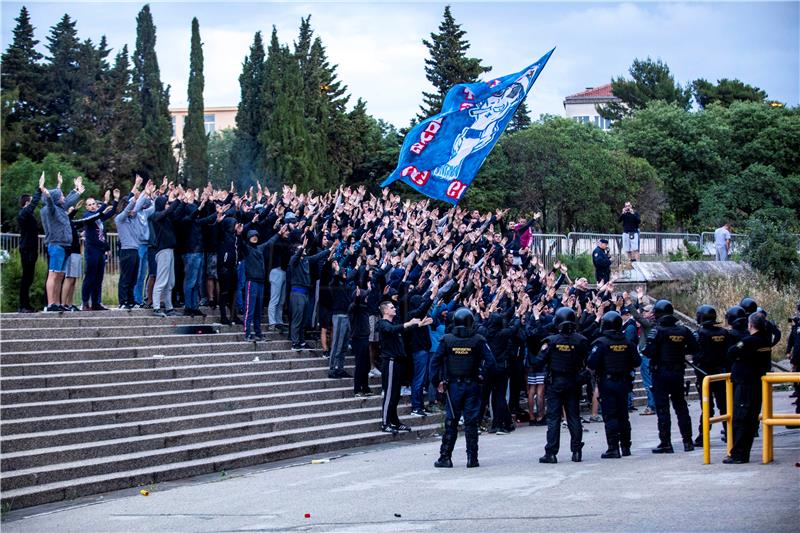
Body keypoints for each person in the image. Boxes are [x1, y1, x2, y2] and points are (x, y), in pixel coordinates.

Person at [429, 307, 496, 468]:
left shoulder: (447, 340)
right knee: (471, 422)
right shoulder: (478, 340)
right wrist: (482, 376)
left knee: (451, 421)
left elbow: (435, 362)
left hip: (453, 387)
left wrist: (436, 381)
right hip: (471, 384)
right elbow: (491, 362)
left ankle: (445, 457)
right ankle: (472, 458)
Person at [529, 307, 589, 464]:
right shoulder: (581, 341)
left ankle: (551, 452)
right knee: (574, 417)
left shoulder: (552, 341)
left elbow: (538, 362)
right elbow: (588, 362)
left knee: (554, 418)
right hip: (573, 382)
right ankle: (576, 452)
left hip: (556, 383)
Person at [644, 299, 699, 453]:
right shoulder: (684, 330)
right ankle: (688, 441)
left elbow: (648, 351)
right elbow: (694, 347)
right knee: (681, 408)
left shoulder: (658, 331)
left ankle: (666, 443)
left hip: (661, 373)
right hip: (677, 372)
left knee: (663, 409)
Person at [587, 311, 641, 458]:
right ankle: (626, 446)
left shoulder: (601, 343)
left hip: (608, 382)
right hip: (623, 382)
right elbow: (637, 361)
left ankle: (613, 447)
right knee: (623, 415)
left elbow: (591, 363)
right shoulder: (627, 342)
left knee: (610, 415)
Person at [375, 299, 430, 434]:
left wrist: (419, 325)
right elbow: (391, 329)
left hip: (398, 362)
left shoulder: (394, 324)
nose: (395, 309)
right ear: (385, 310)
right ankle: (385, 423)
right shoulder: (382, 323)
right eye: (392, 307)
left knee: (395, 395)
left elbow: (401, 331)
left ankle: (395, 421)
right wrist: (410, 323)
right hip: (390, 362)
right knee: (389, 394)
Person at [724, 312, 772, 463]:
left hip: (745, 384)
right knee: (751, 419)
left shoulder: (749, 341)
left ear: (750, 325)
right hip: (757, 384)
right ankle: (743, 452)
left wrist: (740, 356)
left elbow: (731, 352)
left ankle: (738, 454)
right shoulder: (765, 340)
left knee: (741, 419)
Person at [39, 173, 83, 312]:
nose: (64, 198)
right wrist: (45, 192)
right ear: (56, 199)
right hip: (56, 245)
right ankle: (51, 303)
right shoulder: (50, 210)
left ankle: (57, 303)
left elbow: (67, 201)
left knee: (60, 275)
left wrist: (76, 190)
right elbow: (51, 202)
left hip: (64, 245)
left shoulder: (60, 208)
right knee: (53, 274)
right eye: (61, 196)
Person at [692, 305, 732, 446]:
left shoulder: (699, 334)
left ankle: (703, 436)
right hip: (721, 374)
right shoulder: (724, 333)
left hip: (705, 376)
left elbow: (694, 352)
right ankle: (729, 433)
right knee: (724, 406)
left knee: (707, 407)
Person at [16, 184, 42, 313]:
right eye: (31, 202)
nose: (33, 205)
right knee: (26, 278)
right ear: (27, 202)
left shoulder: (28, 215)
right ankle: (23, 306)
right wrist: (39, 190)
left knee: (29, 277)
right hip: (26, 250)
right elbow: (33, 205)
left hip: (31, 250)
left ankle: (26, 305)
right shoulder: (23, 214)